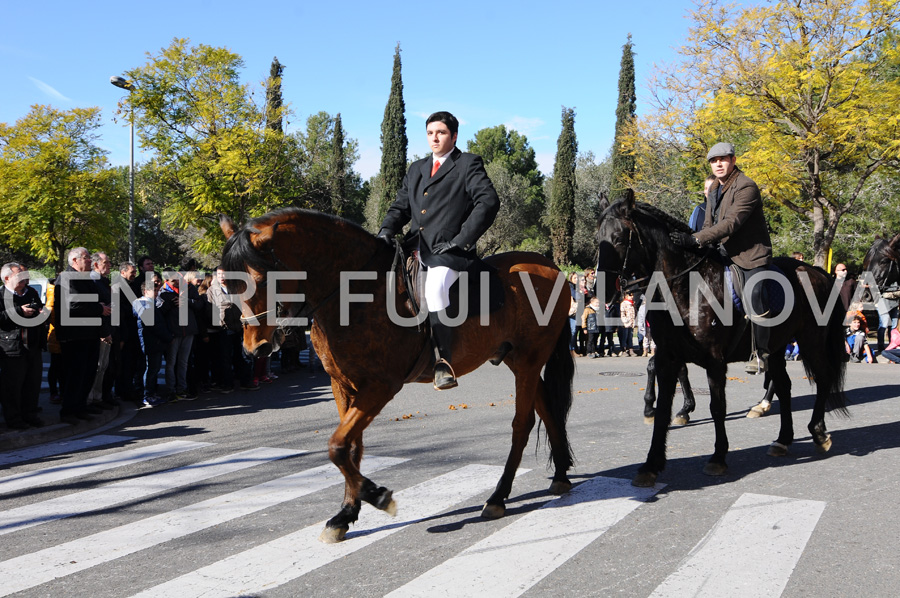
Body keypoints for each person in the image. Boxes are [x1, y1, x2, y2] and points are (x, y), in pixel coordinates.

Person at [377, 111, 500, 390]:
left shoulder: (467, 164)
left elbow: (488, 202)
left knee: (434, 290)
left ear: (454, 136)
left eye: (441, 132)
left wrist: (461, 239)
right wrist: (386, 230)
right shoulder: (416, 168)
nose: (435, 137)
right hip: (413, 246)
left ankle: (443, 362)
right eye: (431, 132)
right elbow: (401, 207)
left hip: (449, 251)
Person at [671, 142, 774, 374]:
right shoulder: (715, 188)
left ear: (733, 160)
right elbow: (709, 223)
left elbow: (731, 223)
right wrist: (697, 244)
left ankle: (761, 352)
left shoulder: (747, 186)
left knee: (754, 293)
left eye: (723, 159)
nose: (718, 164)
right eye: (713, 160)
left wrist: (696, 239)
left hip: (750, 256)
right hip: (721, 252)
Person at [55, 247, 111, 424]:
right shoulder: (66, 278)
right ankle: (69, 411)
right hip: (74, 335)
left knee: (88, 373)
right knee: (75, 374)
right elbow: (74, 304)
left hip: (89, 333)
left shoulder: (85, 278)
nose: (89, 261)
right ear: (74, 261)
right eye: (86, 258)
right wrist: (99, 308)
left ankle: (80, 407)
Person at [0, 263, 45, 429]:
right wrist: (19, 311)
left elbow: (41, 309)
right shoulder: (1, 294)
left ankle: (30, 414)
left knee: (32, 383)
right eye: (19, 275)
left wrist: (42, 314)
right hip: (12, 346)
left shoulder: (31, 292)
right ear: (7, 278)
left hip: (33, 344)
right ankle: (14, 419)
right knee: (12, 385)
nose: (24, 279)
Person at [158, 270, 199, 400]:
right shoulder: (162, 293)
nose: (176, 282)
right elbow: (159, 312)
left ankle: (182, 389)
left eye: (177, 278)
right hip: (173, 332)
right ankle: (171, 390)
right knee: (170, 363)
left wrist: (186, 301)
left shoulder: (189, 288)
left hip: (188, 330)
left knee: (184, 362)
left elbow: (199, 304)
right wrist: (170, 303)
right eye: (172, 280)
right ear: (166, 281)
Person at [133, 278, 172, 406]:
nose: (156, 293)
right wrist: (167, 337)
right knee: (151, 369)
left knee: (153, 369)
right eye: (153, 290)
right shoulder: (144, 304)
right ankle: (147, 396)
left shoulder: (151, 304)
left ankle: (150, 393)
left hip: (155, 342)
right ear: (145, 291)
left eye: (156, 290)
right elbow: (153, 325)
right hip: (152, 342)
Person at [86, 252, 118, 410]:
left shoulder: (103, 281)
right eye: (106, 262)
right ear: (96, 264)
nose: (110, 265)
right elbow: (98, 308)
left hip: (106, 329)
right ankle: (90, 399)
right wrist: (104, 332)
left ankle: (98, 398)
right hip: (99, 332)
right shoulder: (93, 281)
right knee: (97, 366)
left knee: (103, 367)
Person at [620, 291, 636, 356]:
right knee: (625, 336)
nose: (632, 297)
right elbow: (622, 313)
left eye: (632, 295)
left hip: (632, 322)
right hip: (626, 323)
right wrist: (625, 321)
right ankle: (624, 350)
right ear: (626, 296)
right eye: (630, 295)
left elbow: (635, 312)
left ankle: (630, 349)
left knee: (630, 336)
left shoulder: (633, 304)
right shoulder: (624, 303)